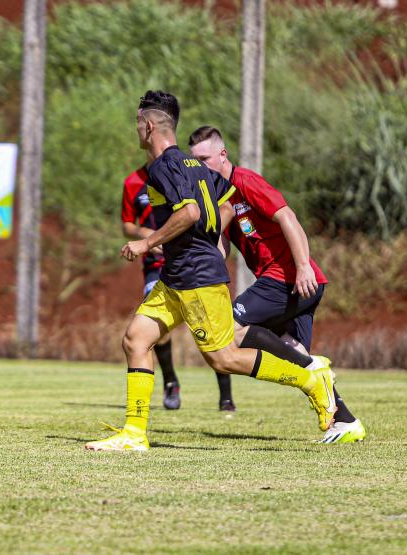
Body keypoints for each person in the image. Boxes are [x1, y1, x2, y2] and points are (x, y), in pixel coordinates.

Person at [86, 91, 336, 452]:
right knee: (136, 339)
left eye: (138, 123)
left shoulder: (163, 167)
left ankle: (311, 379)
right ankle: (134, 433)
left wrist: (149, 241)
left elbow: (188, 212)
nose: (136, 130)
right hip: (179, 273)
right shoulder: (194, 166)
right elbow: (223, 197)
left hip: (196, 278)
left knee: (225, 357)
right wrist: (198, 241)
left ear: (149, 125)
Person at [188, 125, 365, 444]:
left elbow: (288, 217)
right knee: (294, 353)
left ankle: (312, 367)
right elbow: (222, 245)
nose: (200, 166)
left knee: (231, 326)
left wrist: (301, 267)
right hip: (290, 283)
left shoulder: (245, 181)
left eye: (204, 158)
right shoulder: (218, 195)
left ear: (223, 155)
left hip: (287, 278)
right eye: (194, 160)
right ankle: (346, 421)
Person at [122, 155, 235, 411]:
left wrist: (212, 242)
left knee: (221, 350)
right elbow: (127, 225)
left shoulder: (184, 169)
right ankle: (169, 382)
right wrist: (145, 236)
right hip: (157, 268)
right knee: (141, 334)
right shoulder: (133, 182)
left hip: (194, 265)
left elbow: (208, 209)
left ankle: (226, 395)